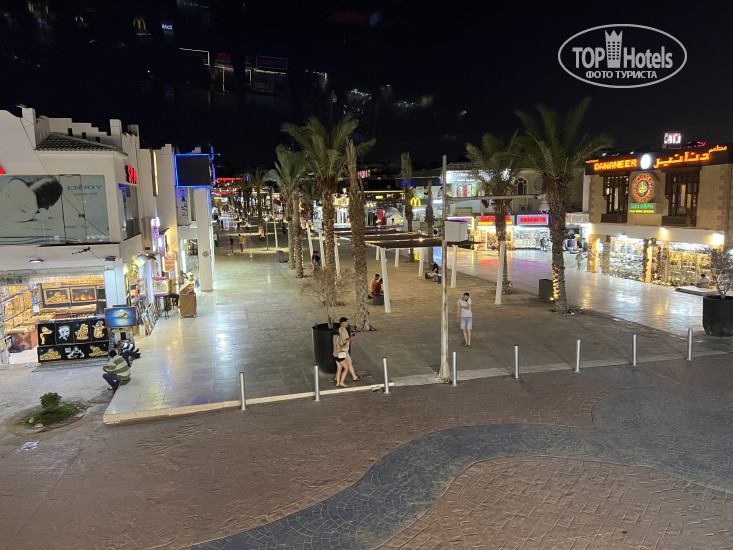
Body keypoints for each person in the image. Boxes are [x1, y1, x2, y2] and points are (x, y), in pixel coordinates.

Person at [337, 317, 358, 385]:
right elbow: (343, 341)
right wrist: (350, 338)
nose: (347, 323)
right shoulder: (342, 331)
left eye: (346, 322)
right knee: (349, 363)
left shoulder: (343, 329)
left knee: (340, 366)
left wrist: (351, 340)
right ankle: (354, 377)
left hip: (342, 350)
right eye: (345, 322)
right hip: (344, 350)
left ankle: (337, 379)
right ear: (341, 323)